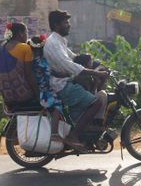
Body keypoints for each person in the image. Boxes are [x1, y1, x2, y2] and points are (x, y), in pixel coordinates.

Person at [43, 10, 108, 151]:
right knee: (96, 102)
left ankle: (88, 130)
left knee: (93, 94)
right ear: (56, 25)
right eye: (65, 22)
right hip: (61, 85)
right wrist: (94, 73)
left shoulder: (60, 41)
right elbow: (69, 64)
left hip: (65, 82)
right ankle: (73, 136)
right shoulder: (53, 43)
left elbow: (74, 58)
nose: (69, 25)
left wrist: (96, 64)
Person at [0, 22, 39, 110]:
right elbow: (29, 75)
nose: (27, 36)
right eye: (26, 33)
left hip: (6, 101)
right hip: (25, 99)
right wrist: (38, 95)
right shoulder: (25, 48)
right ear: (21, 34)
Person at [28, 35, 64, 141]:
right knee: (58, 105)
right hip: (44, 91)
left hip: (39, 89)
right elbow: (49, 74)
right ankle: (54, 133)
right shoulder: (41, 61)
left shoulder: (32, 60)